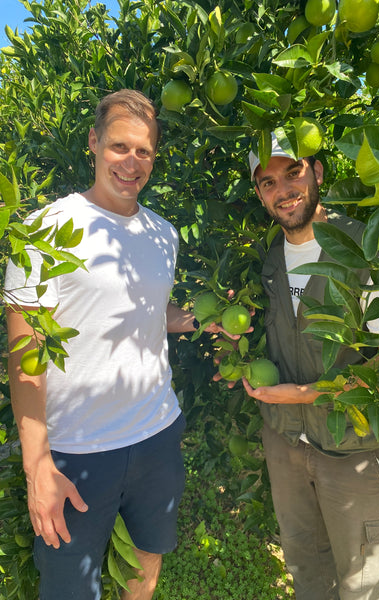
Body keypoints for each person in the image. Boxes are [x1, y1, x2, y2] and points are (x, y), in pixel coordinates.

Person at [4, 89, 225, 600]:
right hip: (77, 453)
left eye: (144, 151)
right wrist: (38, 466)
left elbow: (147, 315)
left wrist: (199, 319)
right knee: (69, 590)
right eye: (120, 147)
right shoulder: (43, 230)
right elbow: (25, 359)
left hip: (156, 435)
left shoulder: (161, 234)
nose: (132, 162)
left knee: (142, 574)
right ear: (94, 143)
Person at [242, 134, 379, 600]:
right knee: (304, 564)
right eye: (268, 181)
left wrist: (307, 394)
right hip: (286, 443)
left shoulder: (368, 250)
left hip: (353, 451)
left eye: (293, 171)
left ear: (315, 171)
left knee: (362, 581)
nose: (283, 189)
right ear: (259, 193)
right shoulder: (271, 259)